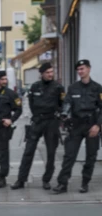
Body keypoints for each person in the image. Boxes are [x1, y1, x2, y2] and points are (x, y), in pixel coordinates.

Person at [11, 63, 64, 190]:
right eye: (47, 72)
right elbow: (30, 104)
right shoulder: (34, 87)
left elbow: (63, 105)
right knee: (28, 151)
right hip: (37, 121)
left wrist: (59, 118)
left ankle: (46, 180)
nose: (50, 74)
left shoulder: (58, 87)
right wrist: (34, 118)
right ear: (41, 74)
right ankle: (21, 180)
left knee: (51, 153)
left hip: (51, 122)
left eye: (52, 72)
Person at [53, 59, 102, 194]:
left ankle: (85, 183)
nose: (80, 71)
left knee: (90, 156)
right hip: (76, 125)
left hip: (92, 125)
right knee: (69, 155)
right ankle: (62, 184)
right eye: (78, 69)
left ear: (89, 69)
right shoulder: (73, 87)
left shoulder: (97, 88)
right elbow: (68, 103)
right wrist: (64, 114)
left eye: (83, 68)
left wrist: (98, 125)